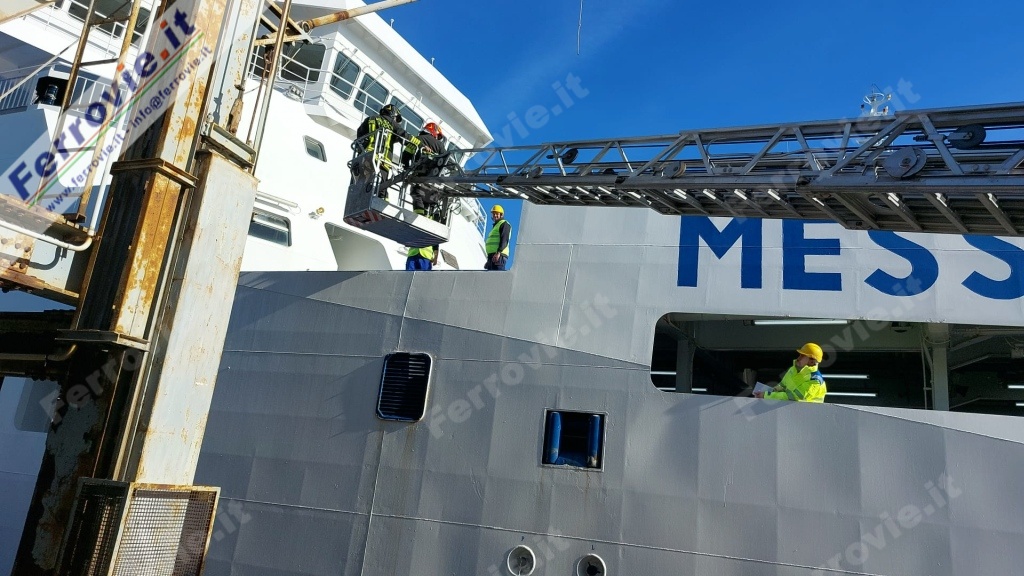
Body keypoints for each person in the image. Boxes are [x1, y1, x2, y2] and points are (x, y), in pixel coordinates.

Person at [355, 104, 410, 191]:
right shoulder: (392, 123)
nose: (397, 121)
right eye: (397, 119)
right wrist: (421, 145)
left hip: (365, 156)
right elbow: (405, 137)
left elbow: (359, 135)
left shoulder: (370, 119)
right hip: (383, 162)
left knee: (360, 186)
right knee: (381, 189)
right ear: (393, 115)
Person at [754, 343, 827, 402]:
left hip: (809, 413)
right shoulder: (793, 369)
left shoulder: (815, 380)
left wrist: (767, 395)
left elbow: (794, 397)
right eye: (799, 355)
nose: (798, 358)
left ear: (812, 361)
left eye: (802, 356)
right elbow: (783, 385)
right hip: (793, 410)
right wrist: (773, 390)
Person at [402, 122, 446, 219]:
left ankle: (419, 217)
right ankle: (428, 218)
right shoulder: (440, 145)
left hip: (419, 178)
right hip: (434, 183)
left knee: (417, 194)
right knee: (430, 202)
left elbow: (405, 156)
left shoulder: (417, 139)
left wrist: (406, 168)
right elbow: (444, 162)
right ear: (434, 132)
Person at [484, 205, 511, 270]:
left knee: (497, 275)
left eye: (497, 214)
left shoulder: (504, 224)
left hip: (499, 256)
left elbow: (504, 239)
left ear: (501, 215)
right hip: (492, 256)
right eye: (493, 214)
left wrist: (498, 252)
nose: (495, 215)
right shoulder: (495, 226)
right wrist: (489, 260)